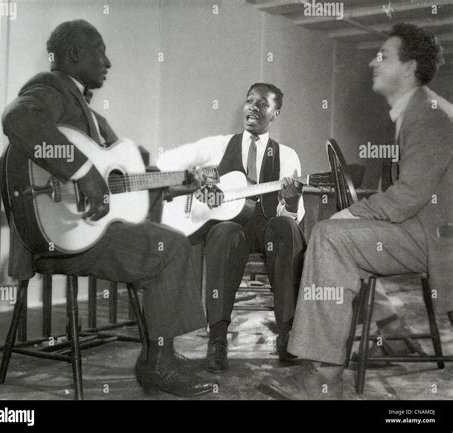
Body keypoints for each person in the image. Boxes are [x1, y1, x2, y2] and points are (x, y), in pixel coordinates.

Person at [2, 19, 218, 397]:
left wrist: (183, 182)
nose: (108, 61)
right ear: (73, 54)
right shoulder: (50, 88)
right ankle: (160, 363)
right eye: (100, 51)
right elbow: (17, 118)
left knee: (170, 243)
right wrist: (84, 173)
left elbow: (128, 181)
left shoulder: (92, 117)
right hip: (61, 237)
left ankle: (158, 352)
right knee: (174, 248)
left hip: (87, 232)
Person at [287, 23, 452, 399]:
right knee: (340, 244)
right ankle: (389, 332)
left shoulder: (427, 114)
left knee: (330, 236)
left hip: (436, 238)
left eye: (385, 56)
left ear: (408, 69)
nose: (374, 63)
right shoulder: (416, 110)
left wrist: (352, 214)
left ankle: (326, 375)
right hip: (424, 228)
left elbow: (407, 196)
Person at [157, 83, 307, 372]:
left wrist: (291, 201)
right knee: (223, 233)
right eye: (249, 101)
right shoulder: (218, 145)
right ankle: (217, 339)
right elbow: (165, 161)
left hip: (267, 229)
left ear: (276, 113)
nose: (252, 107)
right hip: (229, 227)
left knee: (286, 230)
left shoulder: (287, 155)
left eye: (262, 103)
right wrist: (195, 183)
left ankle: (287, 334)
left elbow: (293, 216)